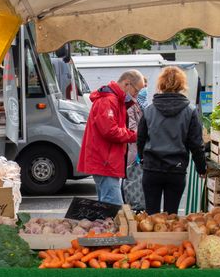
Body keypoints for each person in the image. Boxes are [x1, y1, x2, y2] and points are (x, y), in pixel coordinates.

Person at [137, 66, 206, 214]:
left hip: (152, 168)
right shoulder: (190, 110)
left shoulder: (149, 110)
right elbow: (196, 143)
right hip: (176, 168)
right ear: (182, 85)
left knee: (151, 215)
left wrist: (142, 159)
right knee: (172, 217)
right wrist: (201, 168)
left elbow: (140, 138)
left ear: (160, 84)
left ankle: (150, 238)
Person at [77, 70, 143, 204]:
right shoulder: (108, 101)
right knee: (112, 206)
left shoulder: (113, 100)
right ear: (127, 84)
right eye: (136, 91)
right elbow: (110, 131)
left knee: (107, 205)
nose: (136, 96)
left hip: (106, 160)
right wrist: (135, 135)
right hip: (105, 160)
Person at [122, 73, 149, 209]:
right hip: (133, 149)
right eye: (139, 90)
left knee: (135, 180)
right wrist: (142, 135)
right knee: (133, 179)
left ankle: (136, 205)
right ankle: (135, 206)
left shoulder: (137, 105)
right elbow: (131, 127)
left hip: (135, 148)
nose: (140, 93)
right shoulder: (131, 105)